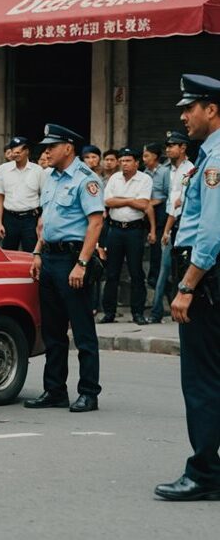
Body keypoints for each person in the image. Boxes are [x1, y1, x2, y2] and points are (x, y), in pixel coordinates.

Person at [155, 74, 220, 502]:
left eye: (189, 107)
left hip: (206, 280)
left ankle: (204, 472)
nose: (184, 116)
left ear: (211, 109)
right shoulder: (208, 154)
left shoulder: (214, 160)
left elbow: (211, 231)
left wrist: (186, 286)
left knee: (201, 379)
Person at [25, 124, 104, 413]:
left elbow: (96, 222)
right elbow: (45, 221)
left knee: (82, 332)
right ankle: (54, 390)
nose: (45, 151)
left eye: (51, 146)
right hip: (49, 259)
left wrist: (82, 263)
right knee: (53, 332)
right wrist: (37, 252)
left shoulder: (86, 179)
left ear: (68, 147)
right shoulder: (51, 178)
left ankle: (88, 392)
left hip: (73, 260)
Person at [100, 148, 154, 325]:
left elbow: (144, 204)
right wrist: (131, 200)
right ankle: (109, 313)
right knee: (112, 272)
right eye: (122, 160)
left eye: (128, 161)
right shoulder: (114, 178)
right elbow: (108, 201)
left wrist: (121, 200)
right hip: (115, 230)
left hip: (134, 231)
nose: (124, 164)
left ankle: (138, 312)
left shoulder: (145, 179)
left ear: (136, 163)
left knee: (136, 272)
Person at [150, 131, 196, 323]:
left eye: (172, 145)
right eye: (167, 146)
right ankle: (156, 312)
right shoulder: (171, 170)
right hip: (172, 225)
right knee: (165, 269)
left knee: (180, 269)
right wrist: (167, 229)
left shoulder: (189, 169)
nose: (168, 149)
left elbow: (179, 204)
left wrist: (168, 229)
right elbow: (172, 202)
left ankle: (177, 309)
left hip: (183, 226)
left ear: (183, 147)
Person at [0, 136, 45, 253]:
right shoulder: (3, 169)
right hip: (9, 219)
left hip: (30, 219)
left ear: (27, 151)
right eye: (13, 151)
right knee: (8, 254)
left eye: (19, 151)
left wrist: (41, 220)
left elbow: (45, 197)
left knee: (31, 254)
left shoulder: (38, 171)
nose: (15, 154)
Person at [143, 143, 170, 288]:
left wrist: (154, 202)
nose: (144, 159)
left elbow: (167, 194)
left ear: (155, 156)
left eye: (146, 155)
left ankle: (155, 277)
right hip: (145, 210)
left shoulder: (165, 172)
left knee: (156, 246)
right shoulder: (143, 173)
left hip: (159, 210)